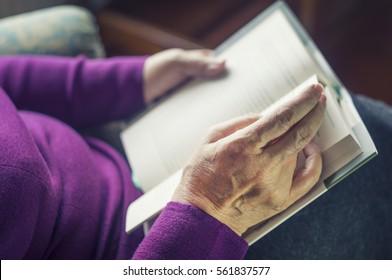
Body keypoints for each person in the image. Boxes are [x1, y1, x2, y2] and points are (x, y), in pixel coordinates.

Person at [0, 49, 391, 260]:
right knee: (361, 179)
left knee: (350, 118)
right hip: (164, 248)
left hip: (120, 149)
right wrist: (207, 211)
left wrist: (137, 80)